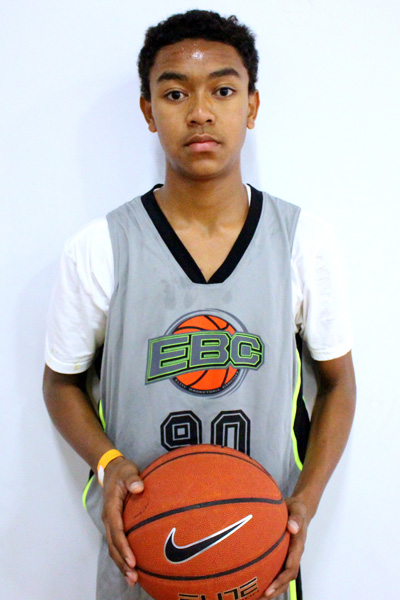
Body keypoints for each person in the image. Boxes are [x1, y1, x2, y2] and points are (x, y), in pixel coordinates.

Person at [43, 9, 356, 600]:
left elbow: (339, 384)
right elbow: (61, 383)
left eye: (223, 90)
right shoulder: (100, 248)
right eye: (175, 93)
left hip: (262, 558)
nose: (200, 112)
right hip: (141, 558)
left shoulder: (303, 241)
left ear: (252, 106)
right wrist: (108, 462)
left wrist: (306, 502)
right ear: (148, 111)